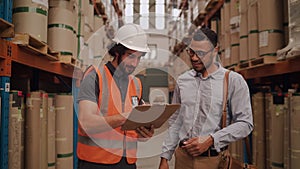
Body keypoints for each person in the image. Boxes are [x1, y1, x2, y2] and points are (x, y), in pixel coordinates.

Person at [159, 27, 253, 169]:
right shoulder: (183, 81)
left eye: (201, 53)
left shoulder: (233, 81)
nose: (195, 58)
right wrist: (165, 158)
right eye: (191, 52)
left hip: (213, 160)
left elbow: (246, 124)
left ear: (215, 50)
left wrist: (212, 140)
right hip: (182, 159)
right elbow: (176, 121)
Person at [77, 23, 154, 169]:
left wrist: (145, 132)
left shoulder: (136, 84)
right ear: (117, 52)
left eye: (139, 58)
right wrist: (125, 117)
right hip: (96, 163)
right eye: (131, 56)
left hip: (128, 163)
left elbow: (134, 131)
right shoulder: (95, 77)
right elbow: (86, 123)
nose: (135, 63)